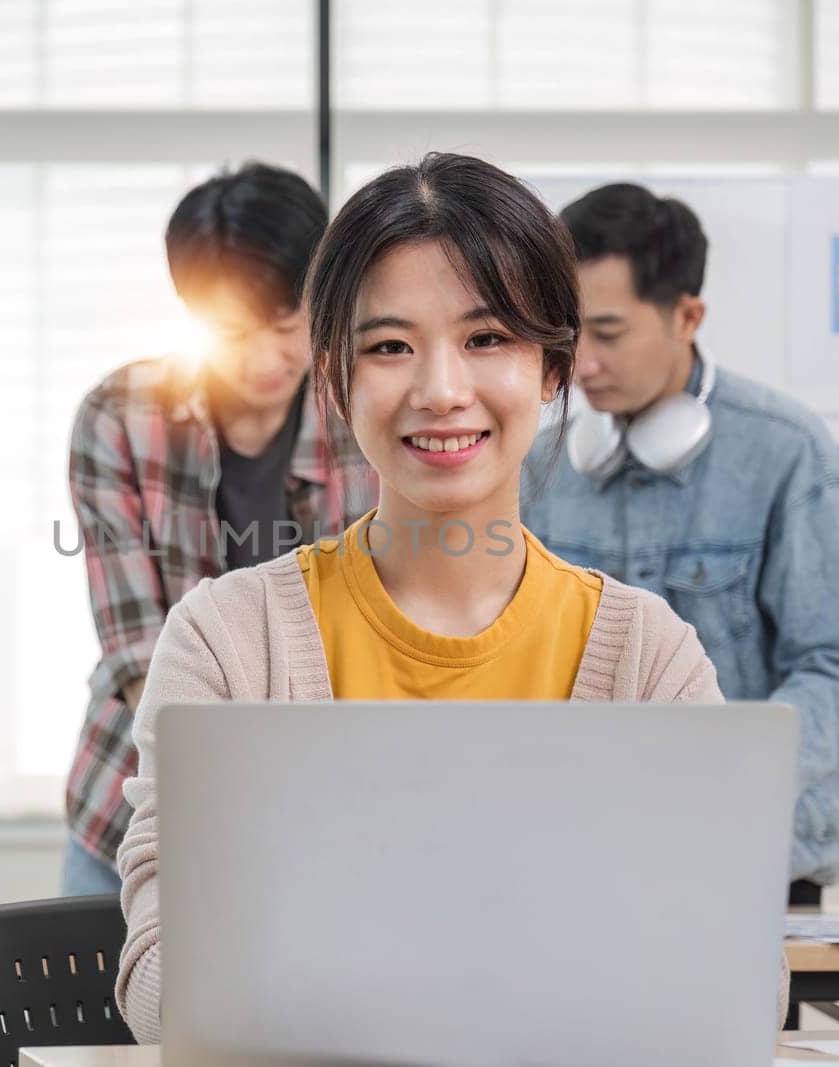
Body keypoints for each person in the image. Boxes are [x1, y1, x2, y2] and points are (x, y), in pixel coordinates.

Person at [113, 153, 785, 1042]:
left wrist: (341, 965)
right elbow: (160, 981)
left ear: (554, 368)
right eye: (389, 345)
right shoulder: (228, 640)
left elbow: (738, 982)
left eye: (487, 339)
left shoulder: (644, 653)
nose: (440, 391)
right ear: (335, 380)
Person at [522, 182, 839, 901]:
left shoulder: (787, 451)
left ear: (687, 315)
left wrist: (728, 778)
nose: (580, 363)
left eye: (609, 332)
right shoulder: (540, 463)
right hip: (582, 859)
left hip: (750, 859)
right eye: (567, 334)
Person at [62, 162, 377, 897]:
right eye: (233, 333)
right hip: (133, 799)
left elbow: (372, 641)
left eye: (288, 326)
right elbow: (139, 648)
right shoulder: (118, 417)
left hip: (324, 815)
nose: (267, 359)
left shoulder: (367, 415)